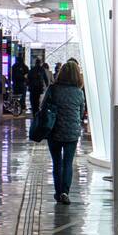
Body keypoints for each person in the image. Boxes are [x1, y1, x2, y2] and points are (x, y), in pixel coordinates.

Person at [41, 58, 86, 204]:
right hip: (72, 133)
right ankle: (65, 192)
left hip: (53, 131)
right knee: (68, 163)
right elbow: (81, 112)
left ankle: (58, 192)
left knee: (57, 162)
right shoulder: (78, 92)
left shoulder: (53, 89)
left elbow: (43, 107)